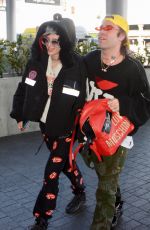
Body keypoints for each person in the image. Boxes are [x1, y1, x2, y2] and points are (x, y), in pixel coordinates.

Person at [10, 15, 86, 230]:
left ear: (64, 41)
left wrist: (81, 130)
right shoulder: (36, 63)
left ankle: (42, 218)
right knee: (64, 164)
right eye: (46, 40)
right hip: (46, 125)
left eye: (55, 40)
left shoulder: (75, 64)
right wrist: (20, 114)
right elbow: (23, 88)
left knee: (50, 173)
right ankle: (80, 190)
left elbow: (82, 99)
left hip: (66, 128)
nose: (50, 45)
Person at [83, 14, 150, 230]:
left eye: (108, 28)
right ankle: (116, 201)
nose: (101, 31)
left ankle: (102, 223)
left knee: (105, 184)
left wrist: (122, 104)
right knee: (105, 175)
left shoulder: (133, 68)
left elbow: (146, 103)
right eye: (100, 27)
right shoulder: (89, 60)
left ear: (121, 35)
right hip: (91, 133)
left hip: (117, 136)